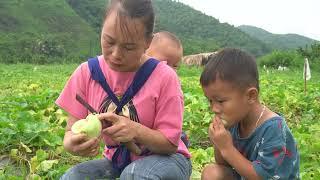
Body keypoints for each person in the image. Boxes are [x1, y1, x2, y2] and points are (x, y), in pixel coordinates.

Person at [55, 0, 191, 179]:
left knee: (135, 175)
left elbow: (170, 144)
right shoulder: (87, 73)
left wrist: (135, 130)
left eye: (129, 47)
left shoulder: (164, 77)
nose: (116, 54)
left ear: (147, 42)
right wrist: (73, 144)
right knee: (73, 176)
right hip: (118, 162)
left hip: (168, 160)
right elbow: (70, 132)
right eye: (109, 41)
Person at [200, 48, 300, 180]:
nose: (214, 108)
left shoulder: (273, 127)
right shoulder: (235, 119)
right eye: (210, 101)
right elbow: (223, 164)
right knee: (211, 173)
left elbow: (261, 176)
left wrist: (227, 148)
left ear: (251, 96)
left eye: (220, 101)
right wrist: (219, 143)